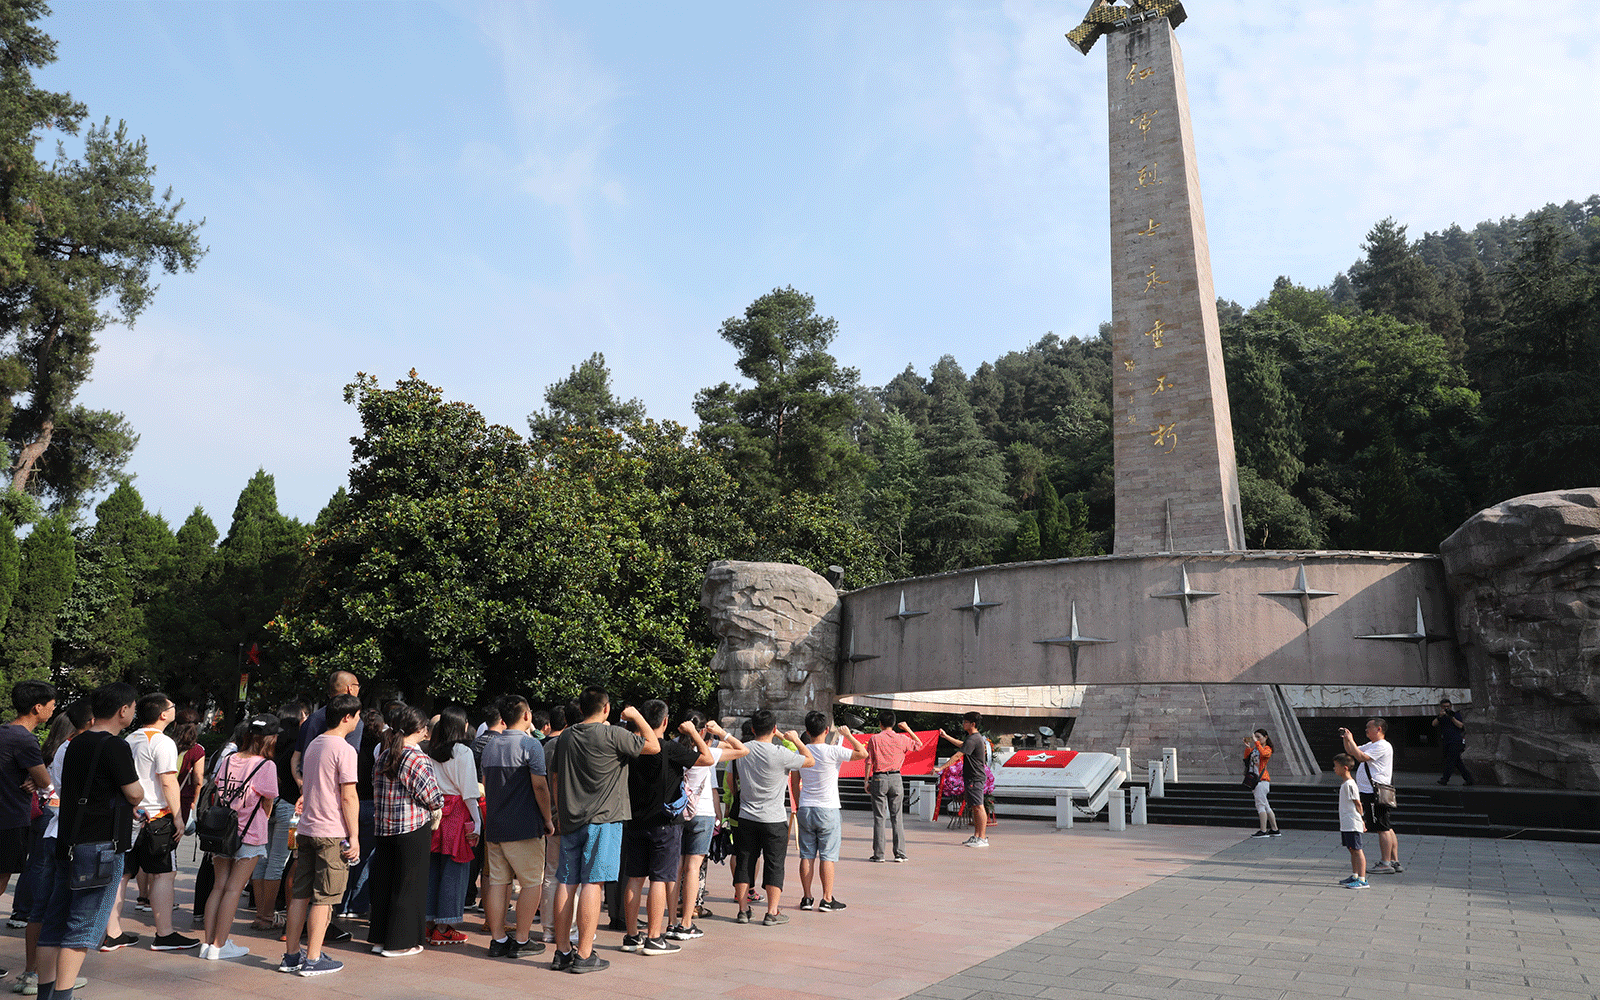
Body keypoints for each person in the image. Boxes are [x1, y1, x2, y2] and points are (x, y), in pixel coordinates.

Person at [36, 683, 144, 1000]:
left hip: (66, 841)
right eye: (133, 707)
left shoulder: (74, 743)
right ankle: (63, 995)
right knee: (82, 925)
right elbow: (135, 792)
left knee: (54, 920)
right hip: (100, 847)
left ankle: (46, 993)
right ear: (123, 710)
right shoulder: (115, 746)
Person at [548, 688, 658, 974]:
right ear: (606, 709)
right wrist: (636, 716)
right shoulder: (613, 736)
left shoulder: (567, 736)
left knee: (566, 881)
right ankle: (584, 954)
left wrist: (559, 812)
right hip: (604, 820)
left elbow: (556, 776)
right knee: (592, 883)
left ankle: (562, 952)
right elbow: (653, 745)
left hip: (571, 819)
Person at [619, 702, 712, 956]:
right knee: (660, 879)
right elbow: (708, 758)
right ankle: (654, 937)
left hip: (635, 821)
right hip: (665, 823)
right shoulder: (670, 748)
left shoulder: (632, 749)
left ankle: (631, 936)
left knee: (635, 878)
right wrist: (694, 733)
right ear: (664, 721)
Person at [13, 699, 92, 997]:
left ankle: (33, 973)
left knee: (41, 909)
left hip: (50, 829)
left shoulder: (57, 748)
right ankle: (58, 980)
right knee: (64, 911)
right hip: (63, 831)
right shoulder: (76, 748)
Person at [279, 693, 361, 977]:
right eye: (357, 715)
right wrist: (356, 835)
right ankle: (313, 958)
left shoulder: (314, 744)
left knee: (300, 895)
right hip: (331, 831)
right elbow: (349, 796)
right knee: (324, 897)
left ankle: (291, 956)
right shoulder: (345, 749)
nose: (359, 720)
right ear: (347, 717)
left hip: (308, 828)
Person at [120, 693, 197, 952]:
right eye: (172, 705)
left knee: (123, 874)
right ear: (163, 714)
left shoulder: (129, 739)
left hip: (131, 814)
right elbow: (167, 781)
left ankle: (111, 933)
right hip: (157, 818)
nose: (175, 708)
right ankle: (164, 934)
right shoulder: (163, 742)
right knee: (165, 874)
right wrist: (178, 817)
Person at [199, 715, 280, 961]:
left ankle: (207, 944)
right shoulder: (266, 766)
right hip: (249, 833)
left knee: (219, 887)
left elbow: (218, 789)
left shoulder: (229, 759)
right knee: (234, 889)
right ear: (270, 739)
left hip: (222, 830)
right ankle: (219, 946)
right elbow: (268, 801)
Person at [367, 704, 442, 959]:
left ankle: (379, 938)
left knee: (385, 883)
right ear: (421, 729)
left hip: (384, 827)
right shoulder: (417, 757)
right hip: (411, 827)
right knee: (409, 885)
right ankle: (399, 942)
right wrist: (437, 805)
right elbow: (432, 796)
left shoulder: (385, 754)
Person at [480, 696, 551, 959]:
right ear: (525, 716)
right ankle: (521, 940)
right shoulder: (531, 745)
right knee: (532, 883)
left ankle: (498, 939)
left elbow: (487, 784)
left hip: (495, 826)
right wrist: (548, 819)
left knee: (498, 882)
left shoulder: (489, 746)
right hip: (523, 826)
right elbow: (540, 786)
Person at [732, 710, 813, 926]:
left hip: (746, 816)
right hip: (774, 818)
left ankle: (743, 910)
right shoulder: (780, 753)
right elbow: (810, 760)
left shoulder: (741, 750)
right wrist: (795, 739)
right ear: (774, 729)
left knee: (745, 862)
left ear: (751, 729)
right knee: (775, 864)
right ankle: (772, 912)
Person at [668, 714, 745, 940]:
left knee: (676, 868)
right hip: (702, 814)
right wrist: (722, 732)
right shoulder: (708, 752)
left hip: (676, 812)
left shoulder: (672, 747)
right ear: (702, 731)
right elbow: (742, 750)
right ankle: (686, 922)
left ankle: (672, 921)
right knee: (693, 868)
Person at [792, 713, 864, 912]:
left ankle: (807, 898)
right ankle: (827, 898)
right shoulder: (834, 751)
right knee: (827, 856)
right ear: (826, 731)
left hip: (806, 807)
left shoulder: (802, 753)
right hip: (828, 808)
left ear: (807, 731)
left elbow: (794, 782)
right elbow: (862, 754)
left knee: (806, 855)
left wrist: (798, 805)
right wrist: (848, 735)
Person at [424, 707, 480, 946]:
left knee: (432, 869)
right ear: (461, 725)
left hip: (433, 811)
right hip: (457, 812)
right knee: (454, 871)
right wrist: (477, 821)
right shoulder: (463, 752)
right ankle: (444, 927)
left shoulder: (428, 750)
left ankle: (428, 924)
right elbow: (469, 792)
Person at [0, 682, 56, 904]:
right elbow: (44, 780)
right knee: (2, 875)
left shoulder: (4, 732)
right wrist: (35, 778)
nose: (53, 710)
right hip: (10, 817)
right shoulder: (24, 738)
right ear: (37, 707)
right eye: (51, 705)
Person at [253, 701, 304, 931]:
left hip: (268, 807)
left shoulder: (270, 745)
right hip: (290, 811)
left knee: (262, 860)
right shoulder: (297, 748)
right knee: (279, 862)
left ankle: (261, 914)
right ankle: (267, 916)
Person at [1339, 718, 1401, 875]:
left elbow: (1361, 757)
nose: (1366, 730)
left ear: (1378, 729)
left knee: (1382, 828)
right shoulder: (1372, 745)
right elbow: (1352, 752)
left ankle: (1386, 863)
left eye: (1368, 728)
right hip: (1374, 791)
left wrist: (1351, 740)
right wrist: (1347, 739)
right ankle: (1394, 861)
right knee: (1386, 825)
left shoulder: (1382, 745)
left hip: (1374, 792)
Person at [863, 714, 921, 862]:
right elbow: (919, 744)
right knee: (897, 817)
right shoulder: (902, 739)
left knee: (879, 818)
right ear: (894, 724)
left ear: (881, 724)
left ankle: (879, 854)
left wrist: (866, 780)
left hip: (879, 778)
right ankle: (900, 853)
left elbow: (869, 761)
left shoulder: (875, 739)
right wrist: (907, 729)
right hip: (896, 778)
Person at [947, 713, 991, 848]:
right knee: (974, 807)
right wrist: (946, 737)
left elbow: (958, 754)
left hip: (975, 777)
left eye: (965, 722)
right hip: (972, 777)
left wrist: (941, 767)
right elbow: (963, 745)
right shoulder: (973, 739)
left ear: (973, 724)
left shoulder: (974, 738)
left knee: (978, 806)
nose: (963, 724)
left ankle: (982, 838)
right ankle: (977, 836)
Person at [1331, 753, 1368, 889]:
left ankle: (1362, 879)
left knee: (1358, 850)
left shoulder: (1350, 784)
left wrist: (1361, 820)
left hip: (1353, 822)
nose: (1334, 769)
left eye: (1336, 766)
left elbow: (1358, 803)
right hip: (1347, 823)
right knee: (1352, 849)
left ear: (1345, 768)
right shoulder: (1345, 784)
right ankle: (1355, 875)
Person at [172, 709, 206, 827]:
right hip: (183, 799)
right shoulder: (197, 750)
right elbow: (198, 780)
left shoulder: (166, 744)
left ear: (176, 725)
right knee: (175, 835)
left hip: (161, 796)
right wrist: (194, 801)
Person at [1244, 729, 1280, 838]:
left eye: (1258, 737)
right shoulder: (1256, 748)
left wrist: (1257, 743)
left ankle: (1263, 830)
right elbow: (1246, 759)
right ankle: (1275, 829)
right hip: (1255, 780)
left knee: (1260, 806)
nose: (1256, 739)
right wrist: (1247, 746)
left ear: (1266, 737)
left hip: (1262, 780)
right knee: (1266, 806)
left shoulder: (1267, 749)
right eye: (1255, 737)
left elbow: (1264, 754)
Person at [1432, 699, 1474, 786]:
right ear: (1441, 707)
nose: (1446, 708)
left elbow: (1461, 725)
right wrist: (1440, 716)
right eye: (1444, 707)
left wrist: (1452, 718)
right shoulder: (1441, 716)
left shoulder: (1455, 714)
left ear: (1451, 707)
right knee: (1457, 762)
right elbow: (1434, 724)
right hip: (1446, 741)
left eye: (1448, 706)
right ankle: (1469, 779)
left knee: (1450, 761)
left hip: (1455, 740)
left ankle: (1445, 779)